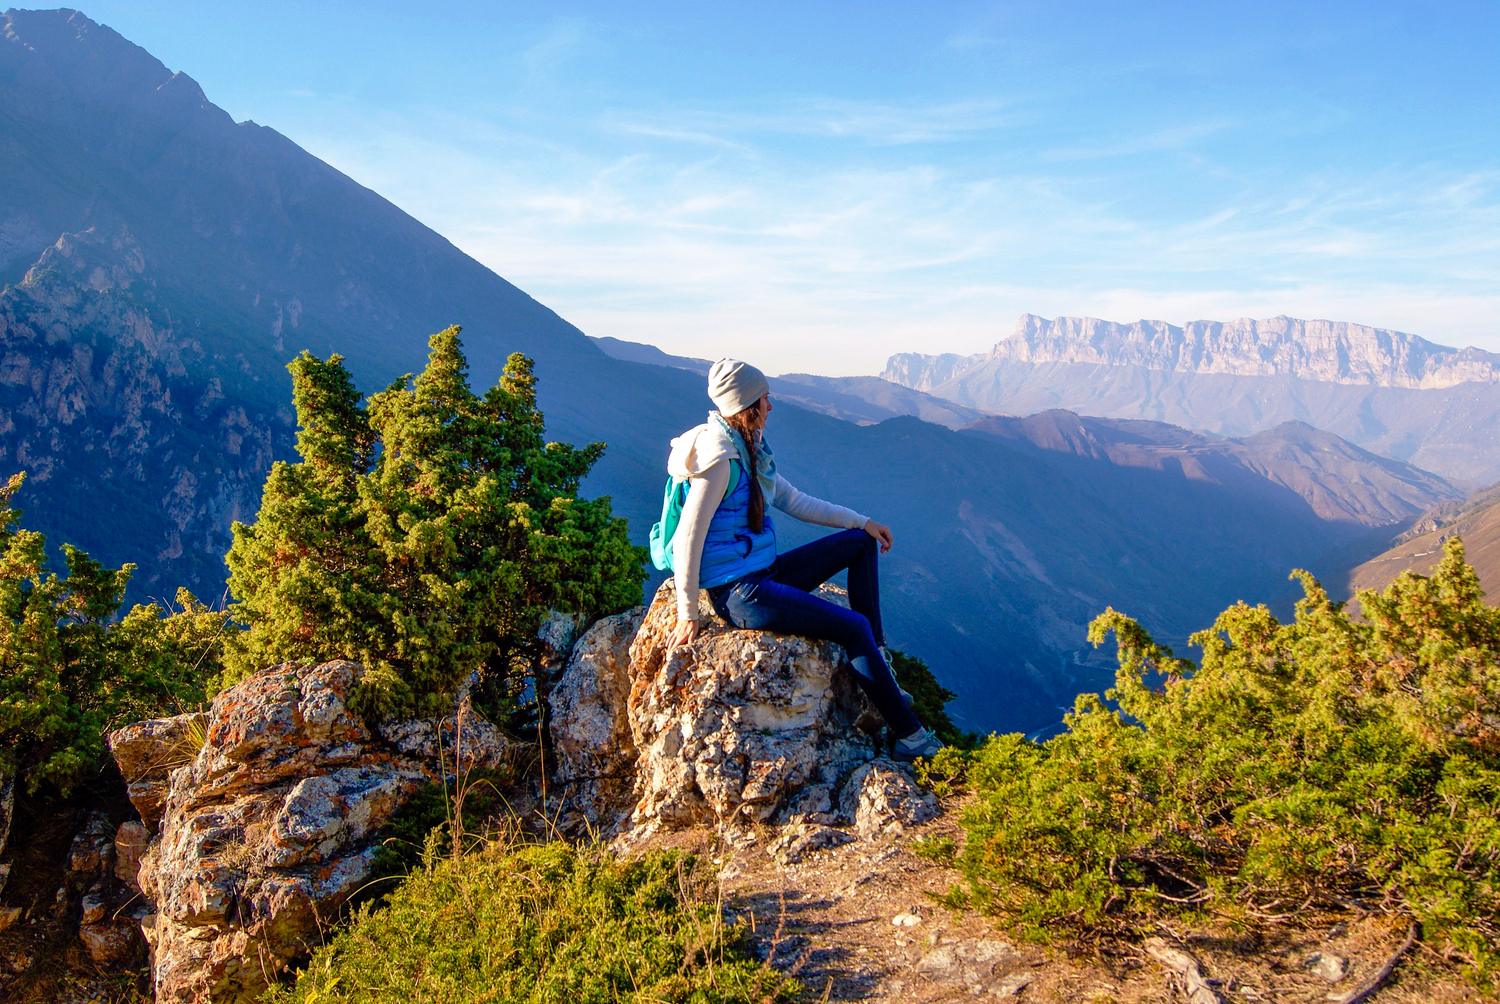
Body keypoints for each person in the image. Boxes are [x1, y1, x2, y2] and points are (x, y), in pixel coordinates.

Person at [663, 357, 944, 761]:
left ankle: (879, 666)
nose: (771, 407)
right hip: (741, 593)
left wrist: (863, 522)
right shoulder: (720, 460)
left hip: (765, 572)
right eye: (765, 399)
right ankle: (910, 736)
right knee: (852, 627)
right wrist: (687, 613)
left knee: (859, 543)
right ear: (747, 406)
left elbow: (793, 500)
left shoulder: (747, 447)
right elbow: (690, 535)